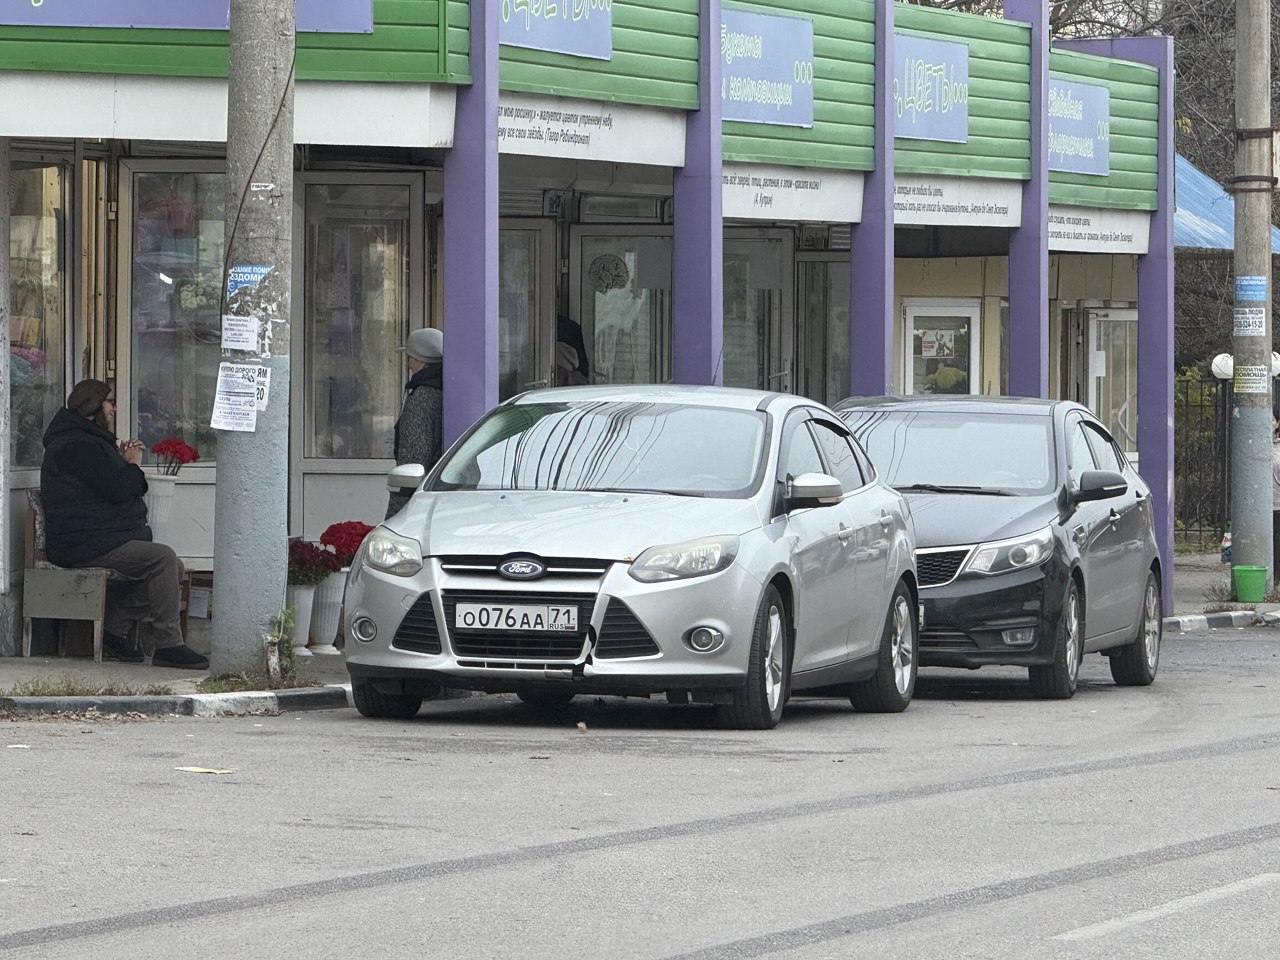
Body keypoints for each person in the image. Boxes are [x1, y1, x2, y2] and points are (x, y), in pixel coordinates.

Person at [39, 379, 208, 668]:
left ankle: (113, 631)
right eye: (109, 402)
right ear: (93, 408)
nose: (113, 408)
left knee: (173, 567)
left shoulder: (85, 441)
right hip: (84, 544)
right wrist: (131, 464)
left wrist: (120, 461)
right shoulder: (76, 445)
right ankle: (169, 644)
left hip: (97, 538)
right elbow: (120, 489)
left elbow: (103, 484)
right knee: (163, 559)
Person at [387, 327, 443, 519]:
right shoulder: (443, 391)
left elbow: (413, 458)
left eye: (410, 358)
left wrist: (395, 514)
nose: (408, 364)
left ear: (420, 360)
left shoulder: (421, 398)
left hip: (416, 506)